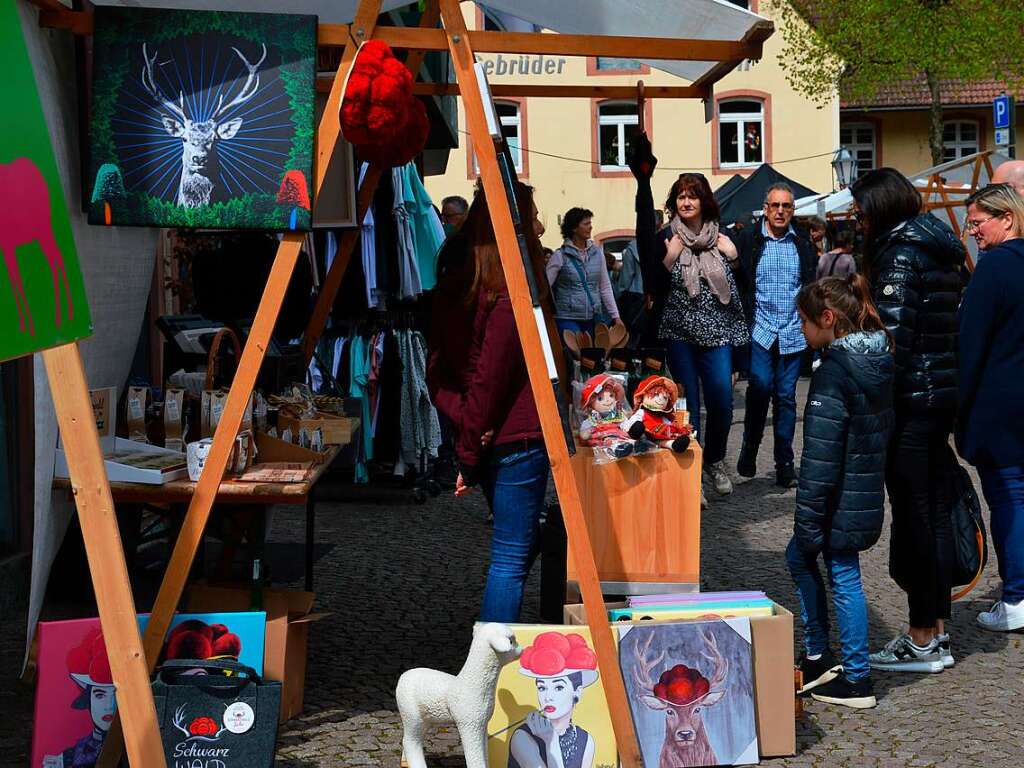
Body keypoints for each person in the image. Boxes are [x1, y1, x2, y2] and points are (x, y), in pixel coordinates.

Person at [849, 167, 966, 673]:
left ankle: (921, 637)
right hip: (939, 393)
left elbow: (894, 341)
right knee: (932, 510)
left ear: (881, 208)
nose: (857, 218)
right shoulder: (941, 244)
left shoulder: (899, 254)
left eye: (861, 209)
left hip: (913, 399)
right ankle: (935, 630)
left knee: (915, 515)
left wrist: (868, 397)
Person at [432, 182, 556, 624]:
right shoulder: (505, 288)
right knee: (509, 559)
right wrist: (469, 449)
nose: (541, 226)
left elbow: (454, 373)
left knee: (517, 546)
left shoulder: (467, 278)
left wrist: (470, 436)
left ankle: (489, 665)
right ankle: (486, 673)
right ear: (513, 225)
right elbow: (485, 375)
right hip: (515, 436)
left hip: (497, 432)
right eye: (532, 216)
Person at [787, 274, 894, 709]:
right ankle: (821, 656)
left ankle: (855, 678)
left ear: (827, 319)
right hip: (861, 493)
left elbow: (820, 458)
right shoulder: (879, 359)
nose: (801, 330)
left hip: (838, 500)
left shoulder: (834, 373)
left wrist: (808, 517)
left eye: (805, 322)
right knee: (811, 561)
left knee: (840, 573)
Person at [647, 173, 747, 504]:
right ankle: (692, 473)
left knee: (721, 402)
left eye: (693, 196)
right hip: (679, 333)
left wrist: (734, 257)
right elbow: (653, 289)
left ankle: (714, 460)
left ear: (704, 201)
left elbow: (743, 289)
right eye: (681, 197)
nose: (687, 202)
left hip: (718, 332)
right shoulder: (665, 237)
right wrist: (669, 257)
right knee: (686, 406)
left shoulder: (724, 236)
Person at [956, 183, 1024, 631]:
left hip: (1000, 408)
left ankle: (1016, 597)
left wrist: (956, 410)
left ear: (1006, 219)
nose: (972, 231)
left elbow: (969, 345)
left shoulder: (994, 267)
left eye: (978, 222)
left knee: (1009, 499)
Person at [732, 183, 818, 488]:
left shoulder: (803, 242)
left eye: (787, 206)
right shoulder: (750, 240)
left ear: (792, 210)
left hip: (793, 331)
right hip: (761, 330)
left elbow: (811, 286)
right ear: (766, 209)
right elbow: (738, 282)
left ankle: (784, 463)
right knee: (760, 386)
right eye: (775, 206)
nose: (781, 211)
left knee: (785, 397)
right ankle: (750, 448)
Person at [510, 632, 599, 768]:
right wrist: (551, 740)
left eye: (558, 687)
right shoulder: (522, 738)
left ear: (577, 692)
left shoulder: (585, 740)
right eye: (541, 688)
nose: (548, 697)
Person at [546, 207, 621, 338]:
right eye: (586, 224)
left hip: (593, 317)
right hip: (567, 317)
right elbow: (546, 287)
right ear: (574, 228)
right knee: (578, 353)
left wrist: (616, 316)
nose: (590, 227)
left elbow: (605, 287)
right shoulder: (560, 256)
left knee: (593, 355)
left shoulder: (598, 254)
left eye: (590, 223)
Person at [615, 210, 662, 345]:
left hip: (637, 299)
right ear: (660, 224)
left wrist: (621, 298)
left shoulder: (633, 247)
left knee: (634, 341)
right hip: (661, 299)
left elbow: (625, 280)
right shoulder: (668, 243)